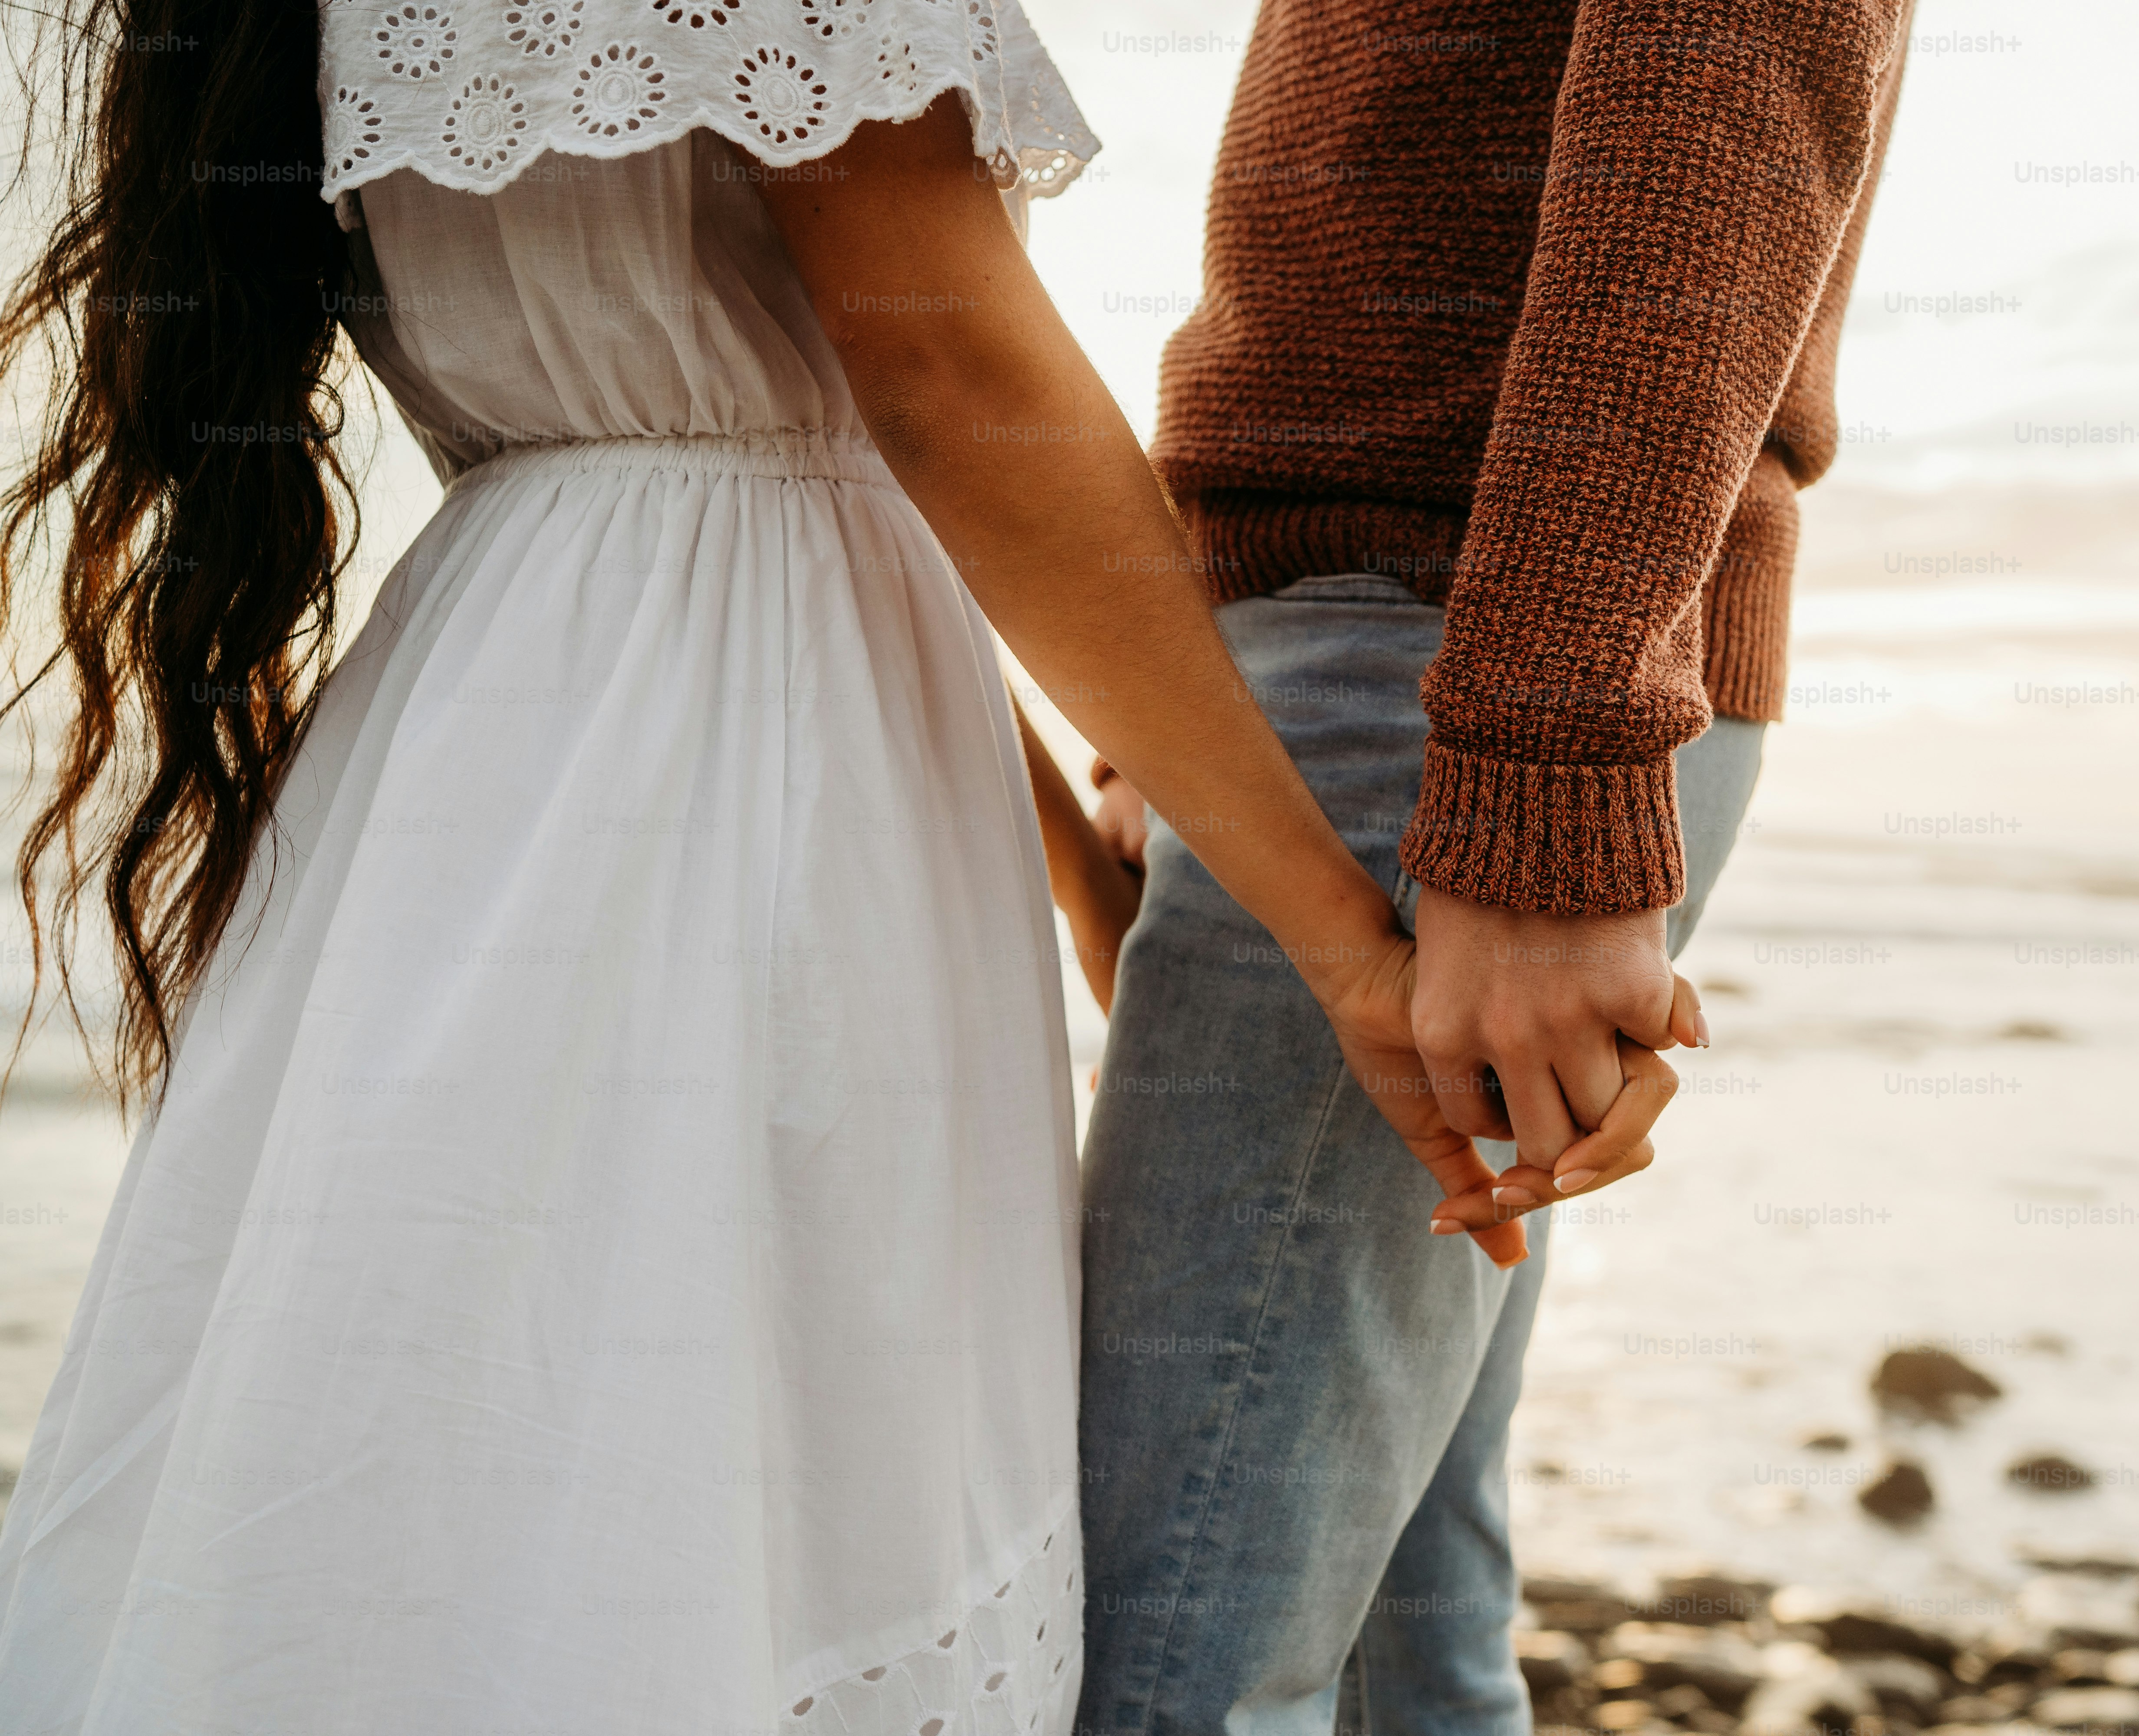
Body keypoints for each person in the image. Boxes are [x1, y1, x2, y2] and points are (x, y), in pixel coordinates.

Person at [0, 4, 1686, 1730]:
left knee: (436, 1487)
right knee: (728, 1508)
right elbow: (940, 382)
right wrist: (1337, 936)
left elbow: (771, 492)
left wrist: (1092, 874)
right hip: (763, 832)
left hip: (468, 747)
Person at [1061, 3, 1917, 1731]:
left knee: (1173, 1656)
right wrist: (1176, 691)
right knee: (1394, 1615)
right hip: (1392, 643)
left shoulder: (1499, 709)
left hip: (1447, 654)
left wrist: (1543, 759)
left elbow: (1726, 73)